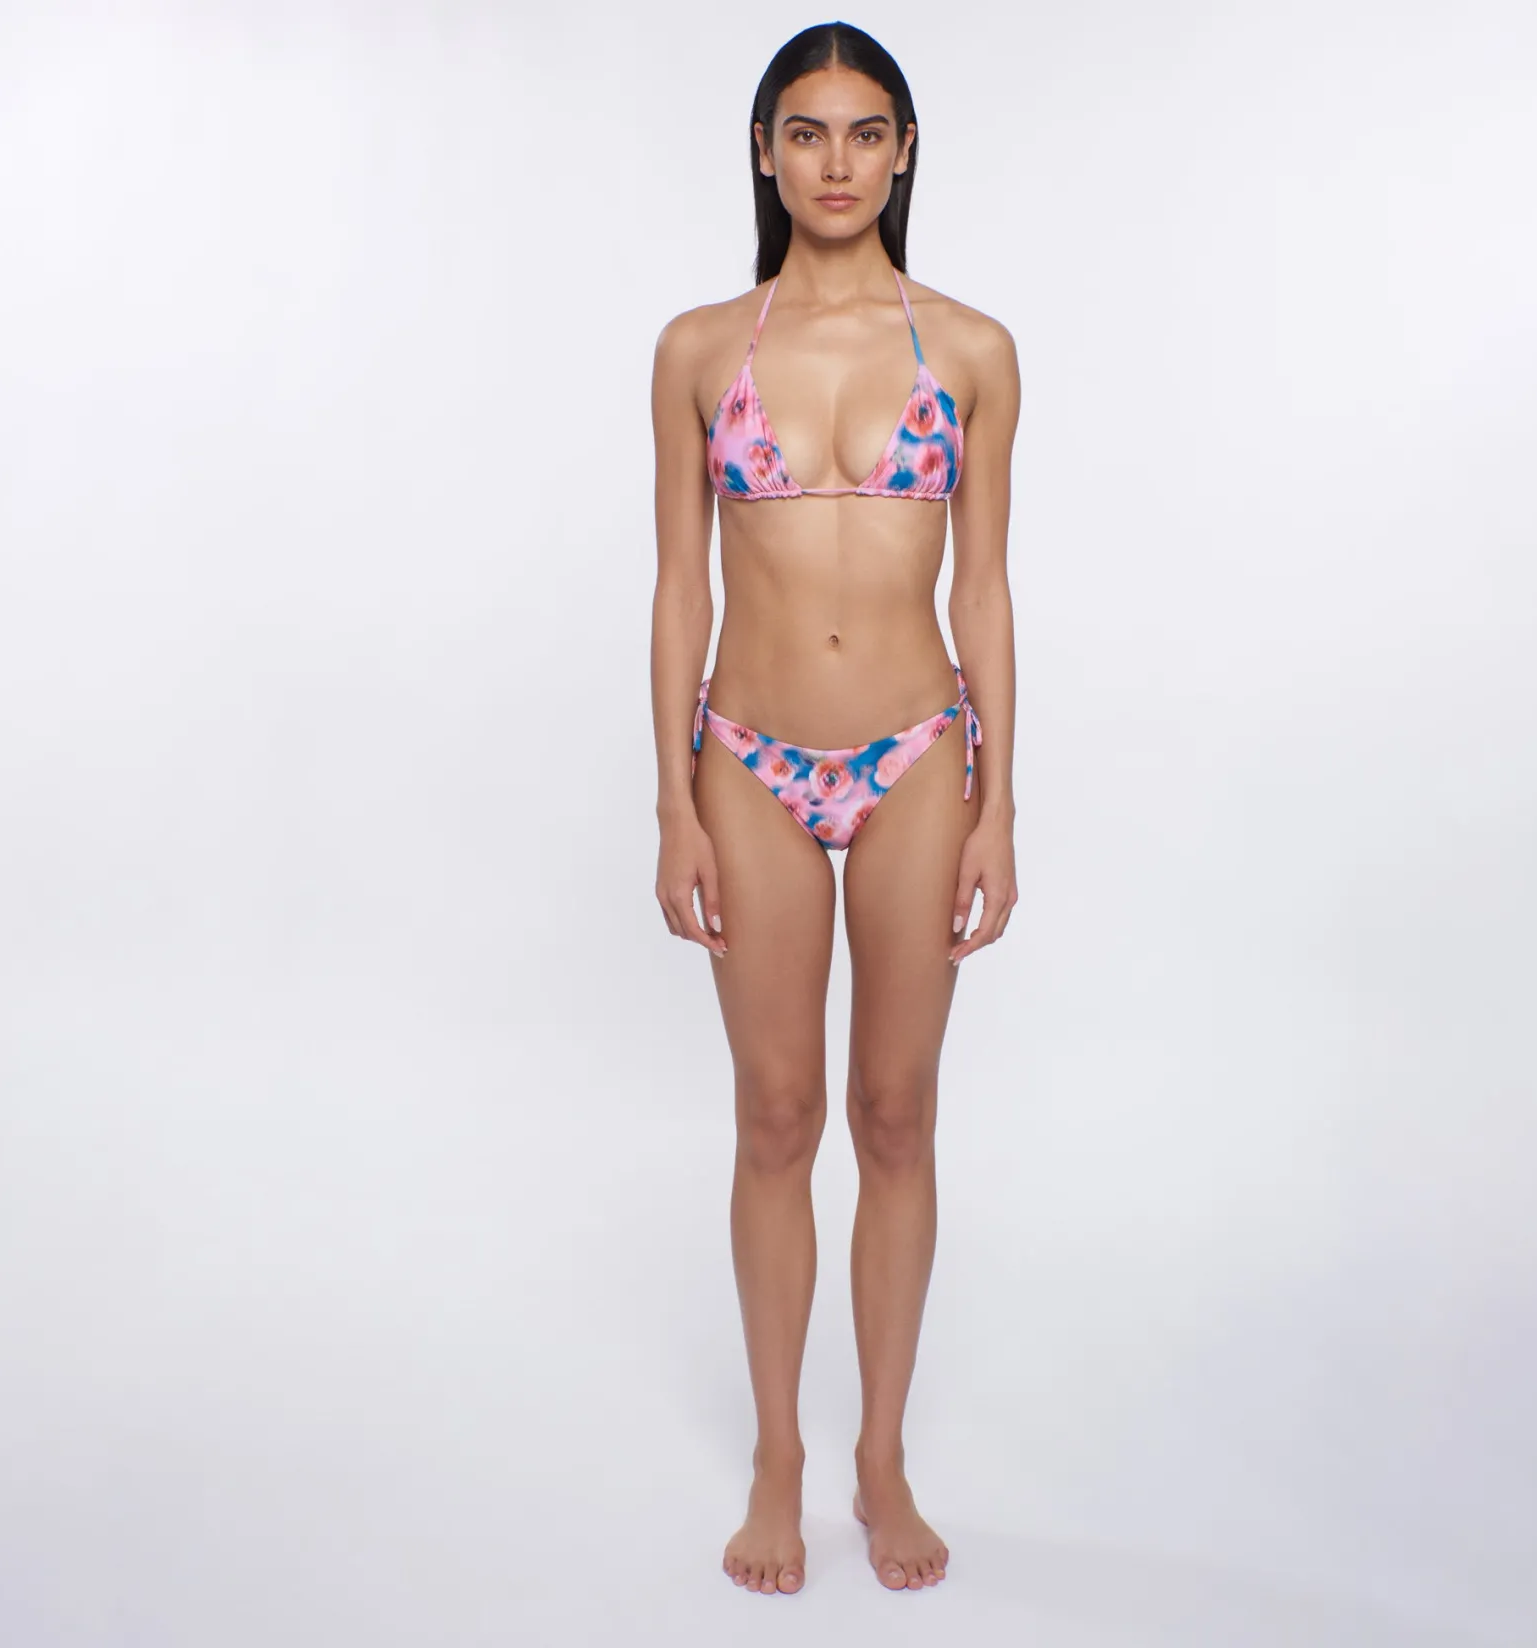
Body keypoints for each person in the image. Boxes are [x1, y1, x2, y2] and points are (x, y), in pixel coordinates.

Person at [649, 21, 1020, 1597]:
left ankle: (880, 1456)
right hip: (750, 759)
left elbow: (984, 585)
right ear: (764, 152)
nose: (837, 163)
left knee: (896, 1113)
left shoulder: (972, 349)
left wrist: (1002, 803)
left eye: (867, 133)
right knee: (777, 1115)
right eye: (806, 133)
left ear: (906, 151)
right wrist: (672, 799)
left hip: (919, 754)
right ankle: (778, 1458)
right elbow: (680, 586)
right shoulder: (699, 349)